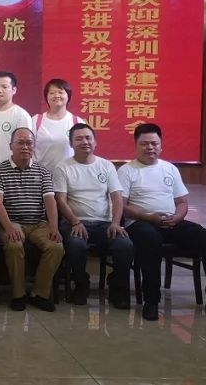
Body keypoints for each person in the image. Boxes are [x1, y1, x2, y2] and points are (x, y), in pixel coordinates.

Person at [118, 123, 206, 320]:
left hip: (172, 221)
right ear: (136, 145)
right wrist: (149, 217)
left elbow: (182, 202)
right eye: (144, 144)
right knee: (150, 239)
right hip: (140, 223)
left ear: (161, 146)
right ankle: (151, 301)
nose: (150, 147)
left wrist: (177, 217)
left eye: (154, 143)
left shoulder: (169, 168)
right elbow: (122, 206)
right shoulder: (127, 171)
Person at [53, 123, 132, 308]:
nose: (84, 142)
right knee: (76, 245)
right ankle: (81, 284)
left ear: (95, 142)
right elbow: (60, 200)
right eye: (79, 139)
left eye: (88, 138)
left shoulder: (106, 166)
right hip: (74, 223)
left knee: (125, 245)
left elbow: (117, 198)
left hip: (104, 224)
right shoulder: (63, 167)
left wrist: (115, 223)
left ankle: (117, 287)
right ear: (71, 144)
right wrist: (75, 222)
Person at [0, 127, 63, 312]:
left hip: (39, 224)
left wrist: (54, 227)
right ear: (11, 146)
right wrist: (8, 227)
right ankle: (18, 294)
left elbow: (50, 201)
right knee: (14, 245)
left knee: (56, 246)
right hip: (12, 222)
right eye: (20, 143)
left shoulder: (43, 171)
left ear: (34, 146)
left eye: (29, 143)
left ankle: (40, 293)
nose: (25, 147)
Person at [0, 71, 32, 174]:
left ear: (14, 90)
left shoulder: (21, 115)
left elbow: (27, 148)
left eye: (4, 87)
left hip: (12, 174)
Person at [32, 78, 84, 173]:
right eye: (52, 93)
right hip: (41, 176)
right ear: (46, 97)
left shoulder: (77, 122)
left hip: (70, 175)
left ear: (68, 96)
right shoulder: (36, 121)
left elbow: (83, 151)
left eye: (61, 92)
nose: (56, 96)